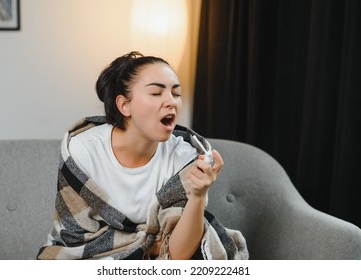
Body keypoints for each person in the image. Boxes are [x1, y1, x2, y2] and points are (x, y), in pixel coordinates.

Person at [37, 51, 248, 260]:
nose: (171, 102)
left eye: (176, 94)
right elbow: (78, 238)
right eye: (156, 93)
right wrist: (151, 244)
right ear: (124, 105)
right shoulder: (83, 149)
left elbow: (178, 255)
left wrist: (199, 194)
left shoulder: (184, 156)